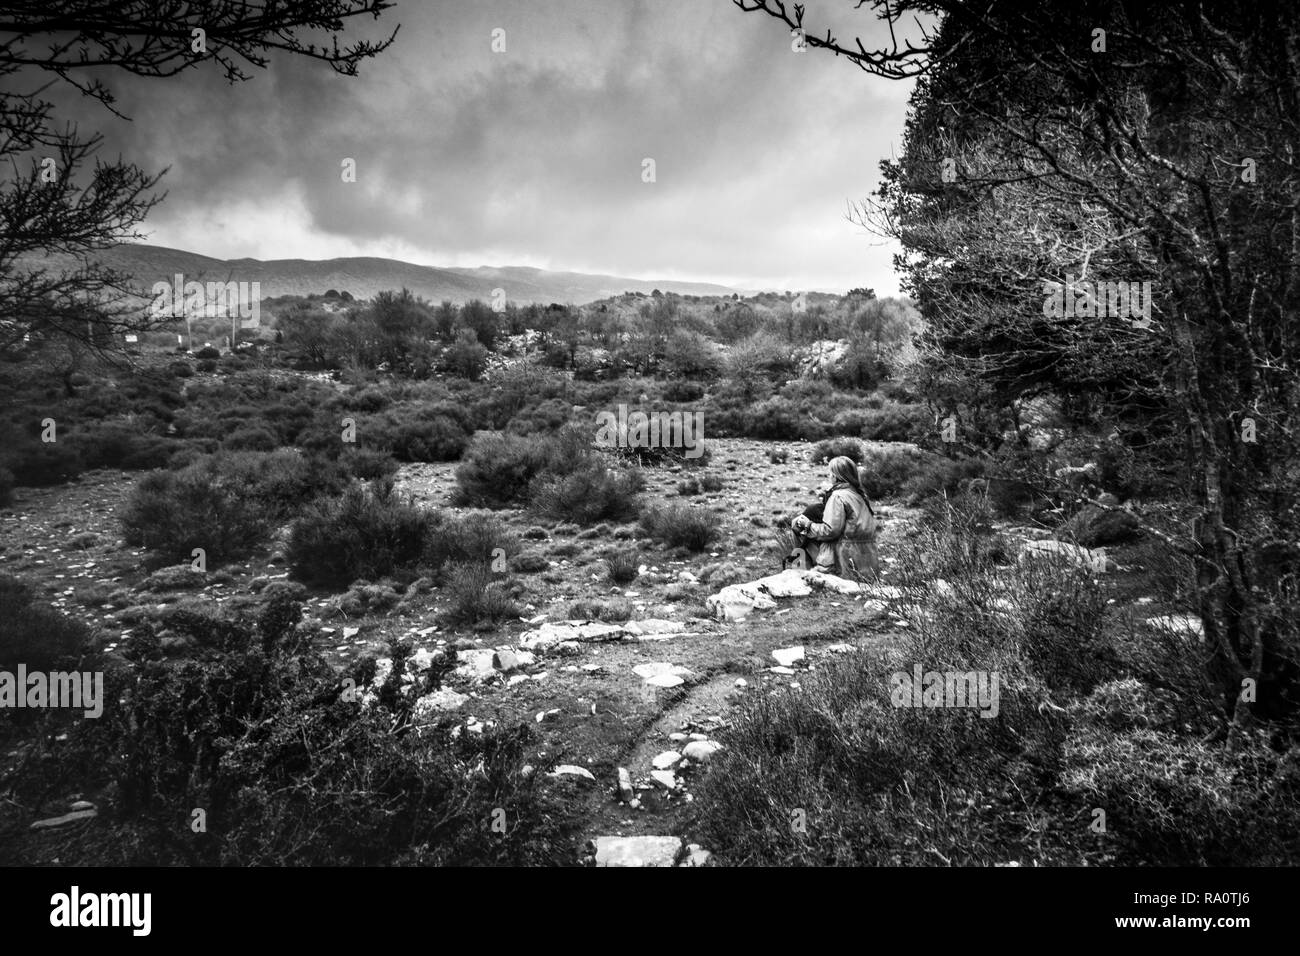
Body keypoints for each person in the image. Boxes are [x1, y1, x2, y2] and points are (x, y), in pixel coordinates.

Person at [791, 456, 879, 578]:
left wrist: (808, 525)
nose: (829, 476)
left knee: (797, 525)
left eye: (830, 473)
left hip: (844, 560)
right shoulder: (860, 496)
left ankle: (801, 574)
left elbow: (830, 531)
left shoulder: (838, 497)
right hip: (868, 563)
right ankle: (802, 572)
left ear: (836, 476)